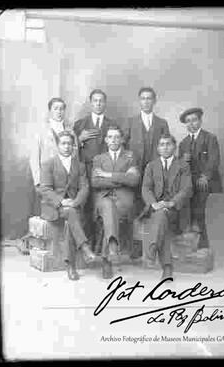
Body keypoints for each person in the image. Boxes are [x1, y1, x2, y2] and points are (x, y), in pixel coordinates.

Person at [39, 131, 95, 281]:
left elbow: (85, 188)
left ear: (74, 146)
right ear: (58, 146)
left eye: (69, 143)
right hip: (52, 207)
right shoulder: (48, 164)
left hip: (73, 207)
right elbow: (44, 189)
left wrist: (75, 202)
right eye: (63, 143)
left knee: (72, 216)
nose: (66, 146)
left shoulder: (80, 166)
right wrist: (61, 201)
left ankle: (70, 265)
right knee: (71, 214)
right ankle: (84, 248)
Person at [139, 134, 193, 279]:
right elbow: (146, 188)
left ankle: (152, 250)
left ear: (174, 147)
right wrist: (154, 204)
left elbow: (187, 189)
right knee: (162, 218)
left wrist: (171, 203)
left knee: (163, 218)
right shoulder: (151, 166)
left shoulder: (183, 165)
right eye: (162, 144)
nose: (165, 147)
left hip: (176, 210)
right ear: (158, 148)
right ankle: (167, 268)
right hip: (156, 209)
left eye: (168, 144)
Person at [91, 126, 140, 279]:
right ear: (106, 140)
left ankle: (107, 259)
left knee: (109, 210)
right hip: (103, 200)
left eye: (117, 137)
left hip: (123, 201)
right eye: (110, 137)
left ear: (122, 139)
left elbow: (134, 180)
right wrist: (122, 178)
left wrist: (108, 175)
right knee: (107, 206)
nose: (113, 140)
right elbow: (95, 182)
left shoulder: (130, 157)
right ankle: (112, 249)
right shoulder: (98, 158)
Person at [73, 89, 117, 249]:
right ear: (90, 103)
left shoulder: (112, 125)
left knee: (102, 205)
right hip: (85, 170)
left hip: (103, 173)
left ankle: (101, 245)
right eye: (95, 101)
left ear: (105, 103)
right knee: (85, 206)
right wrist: (79, 139)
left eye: (101, 101)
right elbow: (69, 149)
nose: (98, 103)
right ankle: (86, 243)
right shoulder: (80, 124)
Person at [178, 107, 223, 249]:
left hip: (206, 181)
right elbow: (180, 168)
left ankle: (203, 245)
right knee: (181, 204)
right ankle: (189, 243)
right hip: (190, 183)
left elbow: (214, 160)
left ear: (200, 121)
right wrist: (182, 161)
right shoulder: (183, 143)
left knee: (198, 209)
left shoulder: (210, 138)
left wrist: (205, 176)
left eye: (194, 120)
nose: (191, 124)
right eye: (188, 121)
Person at [122, 87, 170, 216]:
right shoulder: (130, 122)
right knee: (134, 200)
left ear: (154, 101)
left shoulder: (162, 123)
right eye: (143, 98)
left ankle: (151, 232)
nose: (146, 101)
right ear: (139, 101)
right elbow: (122, 144)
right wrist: (128, 163)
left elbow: (168, 147)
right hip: (135, 168)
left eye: (149, 98)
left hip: (155, 168)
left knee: (153, 198)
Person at [30, 97, 75, 189]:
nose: (59, 111)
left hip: (67, 181)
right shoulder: (40, 132)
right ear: (50, 111)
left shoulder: (70, 131)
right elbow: (34, 158)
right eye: (56, 109)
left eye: (61, 109)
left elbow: (74, 156)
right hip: (47, 179)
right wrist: (38, 181)